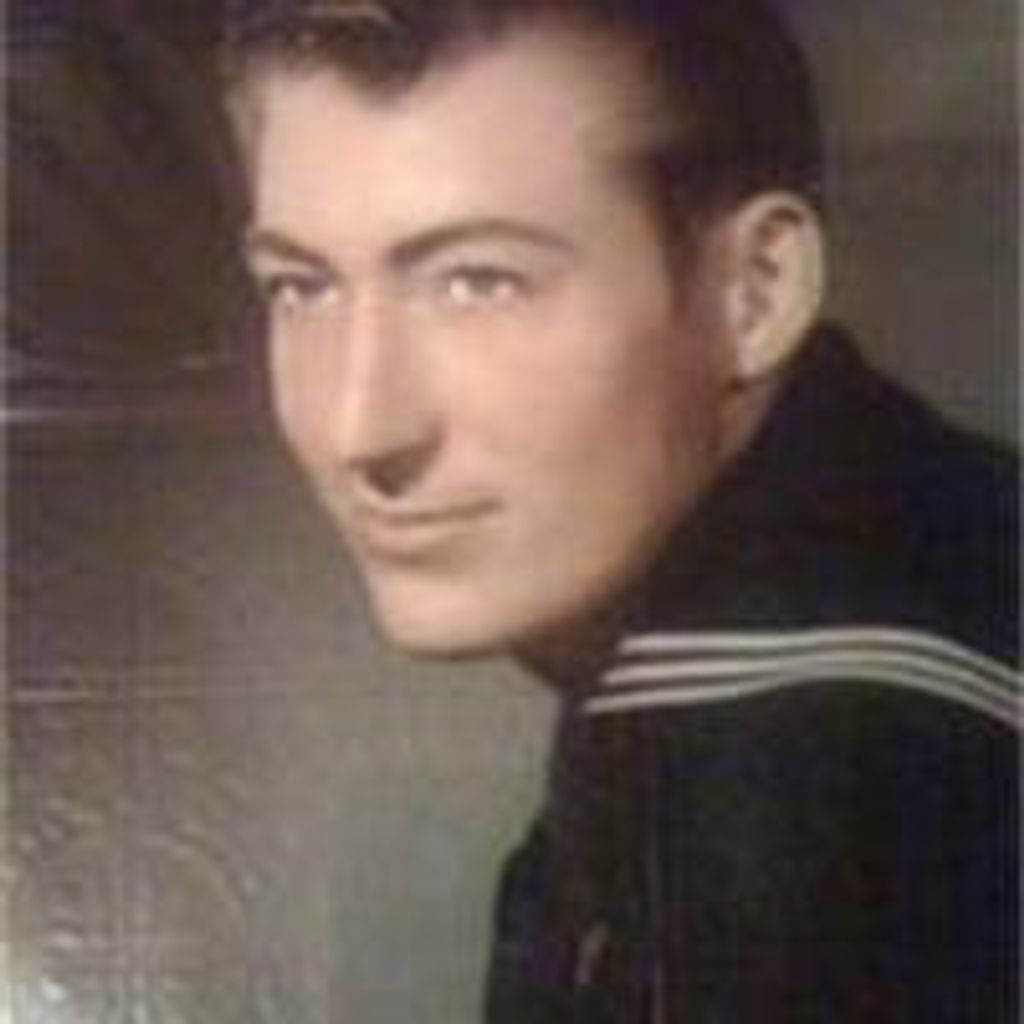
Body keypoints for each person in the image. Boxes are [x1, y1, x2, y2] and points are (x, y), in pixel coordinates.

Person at [220, 1, 1019, 1019]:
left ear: (756, 290)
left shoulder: (792, 775)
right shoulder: (922, 575)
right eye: (302, 288)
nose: (358, 426)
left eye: (478, 282)